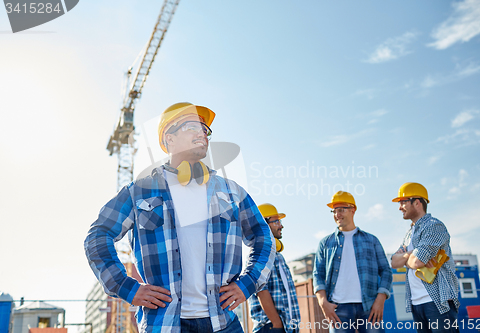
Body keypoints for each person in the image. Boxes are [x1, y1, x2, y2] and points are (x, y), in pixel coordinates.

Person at [84, 102, 275, 333]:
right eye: (193, 126)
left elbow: (263, 236)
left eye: (205, 130)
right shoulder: (139, 191)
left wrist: (248, 283)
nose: (202, 134)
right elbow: (98, 235)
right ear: (169, 139)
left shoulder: (231, 191)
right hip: (164, 325)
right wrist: (126, 287)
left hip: (224, 324)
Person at [313, 191, 392, 333]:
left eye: (341, 210)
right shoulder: (325, 243)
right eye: (334, 211)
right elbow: (318, 274)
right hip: (338, 309)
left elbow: (386, 271)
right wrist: (322, 302)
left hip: (369, 307)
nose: (337, 214)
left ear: (353, 210)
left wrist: (380, 299)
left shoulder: (371, 240)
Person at [391, 182, 460, 333]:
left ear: (417, 202)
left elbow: (417, 261)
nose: (399, 207)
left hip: (437, 302)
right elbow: (394, 262)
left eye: (403, 202)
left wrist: (409, 258)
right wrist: (412, 254)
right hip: (417, 303)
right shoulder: (409, 234)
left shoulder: (434, 226)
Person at [249, 204, 301, 333]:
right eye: (276, 221)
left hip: (286, 327)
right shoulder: (260, 253)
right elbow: (261, 291)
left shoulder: (278, 256)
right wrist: (277, 324)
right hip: (271, 327)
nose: (281, 226)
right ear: (265, 224)